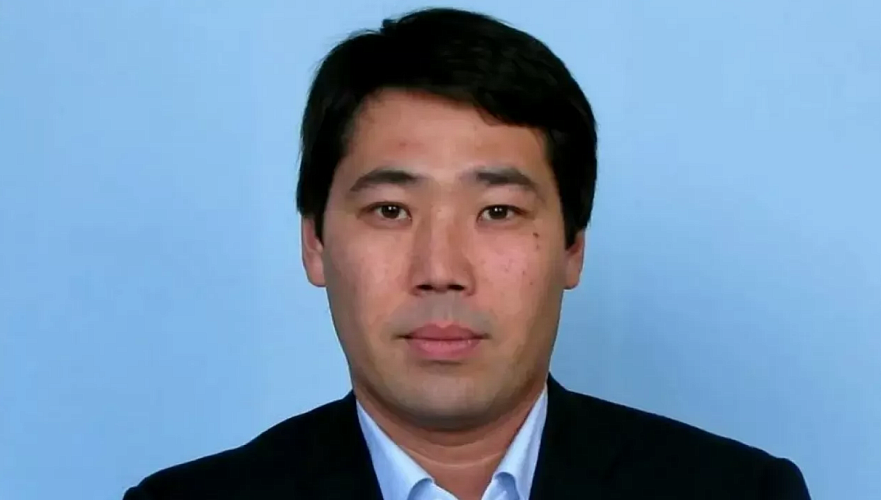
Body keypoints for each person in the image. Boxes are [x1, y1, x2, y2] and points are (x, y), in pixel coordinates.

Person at [123, 7, 811, 500]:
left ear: (572, 246)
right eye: (390, 211)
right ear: (315, 244)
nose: (441, 272)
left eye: (498, 212)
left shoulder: (738, 491)